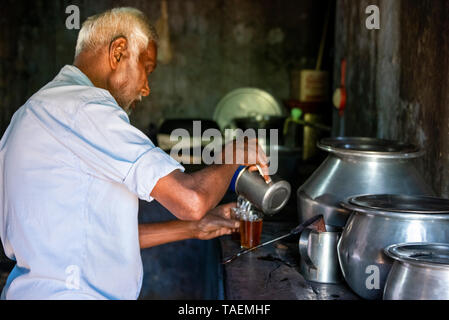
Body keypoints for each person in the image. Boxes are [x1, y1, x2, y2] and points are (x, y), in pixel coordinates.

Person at [0, 7, 269, 300]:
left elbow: (88, 239)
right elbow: (191, 199)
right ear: (118, 52)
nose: (146, 88)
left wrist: (194, 228)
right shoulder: (85, 108)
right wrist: (233, 155)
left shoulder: (31, 114)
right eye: (147, 68)